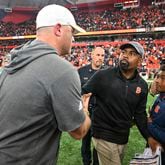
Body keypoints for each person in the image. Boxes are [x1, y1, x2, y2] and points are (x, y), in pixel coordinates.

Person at [0, 4, 91, 165]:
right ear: (58, 29)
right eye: (72, 31)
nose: (74, 38)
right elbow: (78, 131)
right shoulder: (62, 70)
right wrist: (85, 109)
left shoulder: (12, 63)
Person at [82, 41, 160, 165]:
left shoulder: (142, 86)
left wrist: (148, 137)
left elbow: (139, 115)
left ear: (140, 61)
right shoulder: (102, 76)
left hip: (123, 137)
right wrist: (83, 109)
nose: (125, 55)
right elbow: (82, 92)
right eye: (123, 52)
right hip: (102, 135)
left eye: (131, 53)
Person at [78, 47, 105, 165]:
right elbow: (77, 91)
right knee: (85, 141)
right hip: (86, 113)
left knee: (98, 142)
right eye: (98, 55)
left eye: (102, 55)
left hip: (102, 113)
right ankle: (86, 163)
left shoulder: (108, 72)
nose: (100, 58)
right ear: (92, 55)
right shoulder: (81, 71)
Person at [148, 64, 165, 164]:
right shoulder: (160, 97)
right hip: (155, 153)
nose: (157, 80)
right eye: (157, 77)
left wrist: (149, 124)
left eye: (162, 78)